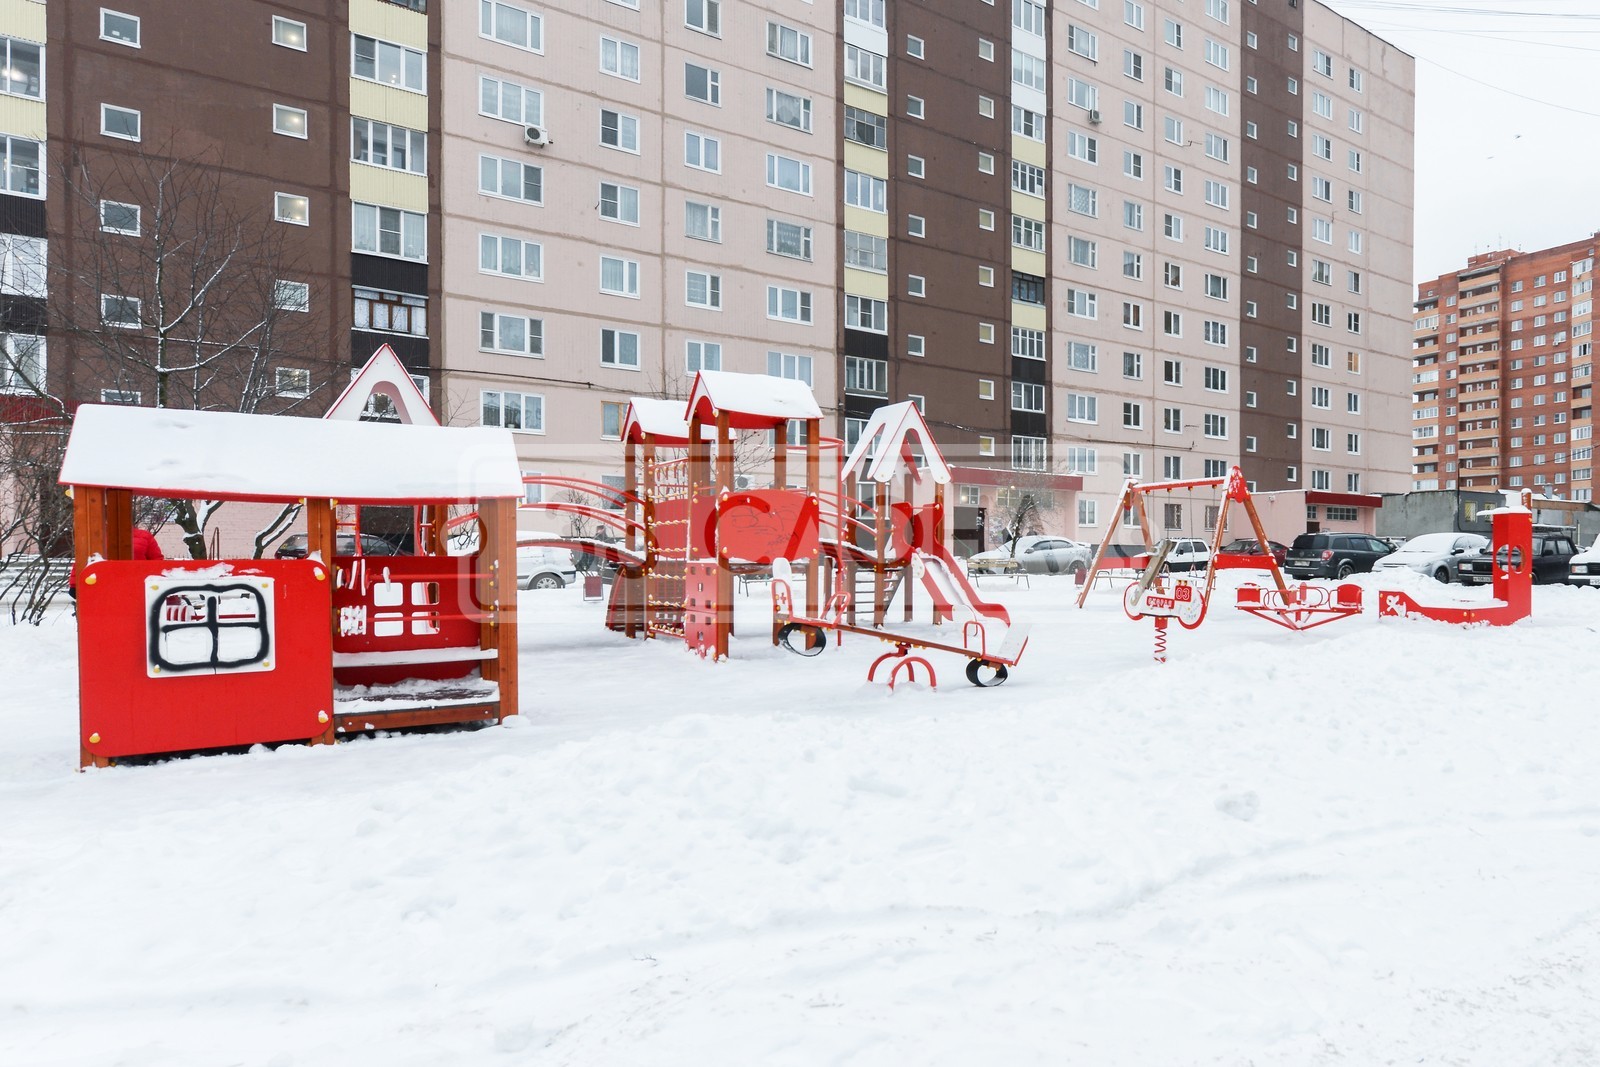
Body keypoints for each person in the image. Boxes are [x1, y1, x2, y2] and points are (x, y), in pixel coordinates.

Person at [69, 527, 164, 602]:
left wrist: (158, 583)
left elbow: (157, 561)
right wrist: (74, 585)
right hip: (105, 589)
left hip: (138, 589)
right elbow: (82, 559)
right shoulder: (97, 537)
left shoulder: (144, 536)